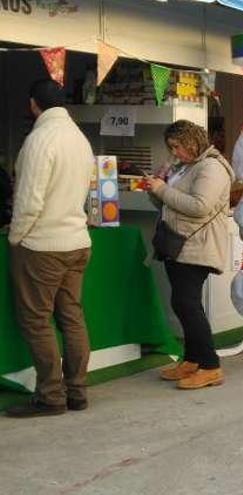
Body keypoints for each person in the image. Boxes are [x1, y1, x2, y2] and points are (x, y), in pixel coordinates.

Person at [5, 80, 95, 418]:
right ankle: (77, 391)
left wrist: (16, 237)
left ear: (33, 105)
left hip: (43, 245)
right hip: (77, 241)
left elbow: (28, 202)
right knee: (71, 317)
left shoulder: (39, 140)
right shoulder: (79, 139)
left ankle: (50, 396)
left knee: (37, 321)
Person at [144, 120, 233, 390]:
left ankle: (210, 365)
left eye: (178, 146)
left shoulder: (212, 167)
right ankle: (192, 360)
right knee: (185, 303)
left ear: (192, 142)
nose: (175, 153)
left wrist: (163, 189)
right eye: (171, 148)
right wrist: (156, 189)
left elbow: (199, 206)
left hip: (197, 246)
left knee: (186, 304)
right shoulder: (186, 167)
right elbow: (167, 205)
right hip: (178, 245)